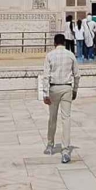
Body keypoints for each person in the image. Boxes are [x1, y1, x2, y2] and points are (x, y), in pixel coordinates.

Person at [38, 33, 79, 162]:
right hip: (67, 88)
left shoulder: (50, 55)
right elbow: (77, 75)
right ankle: (65, 150)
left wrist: (45, 93)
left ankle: (50, 145)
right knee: (66, 119)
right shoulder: (71, 55)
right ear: (65, 43)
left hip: (54, 88)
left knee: (52, 118)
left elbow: (46, 76)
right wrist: (75, 89)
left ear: (55, 43)